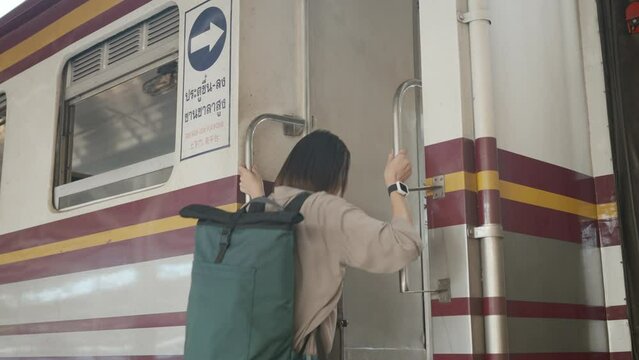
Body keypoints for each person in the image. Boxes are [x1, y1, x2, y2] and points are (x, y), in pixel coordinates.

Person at [238, 130, 422, 359]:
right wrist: (395, 185)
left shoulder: (260, 209)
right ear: (335, 174)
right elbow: (404, 244)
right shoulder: (326, 210)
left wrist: (258, 196)